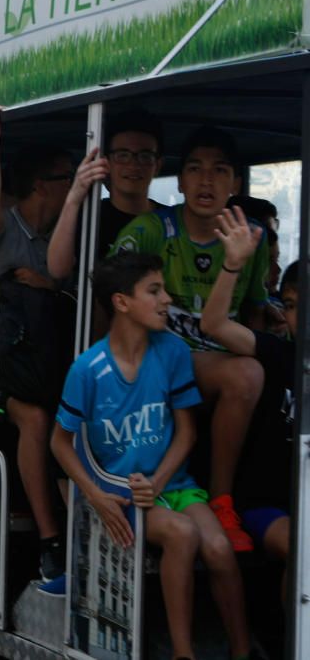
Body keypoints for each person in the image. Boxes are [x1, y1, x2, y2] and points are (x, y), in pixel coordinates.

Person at [51, 252, 251, 660]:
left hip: (171, 484)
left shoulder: (172, 351)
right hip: (122, 495)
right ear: (122, 302)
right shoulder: (87, 369)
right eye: (154, 291)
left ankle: (244, 651)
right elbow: (59, 443)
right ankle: (183, 652)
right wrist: (96, 495)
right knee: (182, 534)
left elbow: (187, 432)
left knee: (219, 548)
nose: (166, 301)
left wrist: (158, 482)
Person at [110, 125, 270, 552]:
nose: (206, 180)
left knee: (255, 376)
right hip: (156, 361)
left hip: (218, 362)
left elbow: (253, 313)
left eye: (220, 171)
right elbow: (111, 305)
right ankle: (218, 500)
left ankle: (224, 502)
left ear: (235, 182)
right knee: (247, 375)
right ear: (178, 181)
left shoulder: (253, 235)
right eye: (195, 169)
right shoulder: (148, 230)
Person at [0, 104, 74, 579]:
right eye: (69, 178)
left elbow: (68, 281)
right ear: (42, 186)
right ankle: (53, 539)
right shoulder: (3, 226)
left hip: (46, 364)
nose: (78, 186)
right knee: (36, 418)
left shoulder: (65, 231)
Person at [201, 207, 297, 599]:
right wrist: (233, 265)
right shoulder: (277, 353)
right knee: (304, 552)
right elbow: (214, 325)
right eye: (290, 305)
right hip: (267, 507)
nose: (298, 315)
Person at [47, 111, 165, 280]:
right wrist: (73, 199)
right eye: (122, 155)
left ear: (158, 165)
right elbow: (58, 270)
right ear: (105, 162)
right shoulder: (89, 216)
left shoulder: (169, 221)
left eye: (145, 156)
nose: (133, 164)